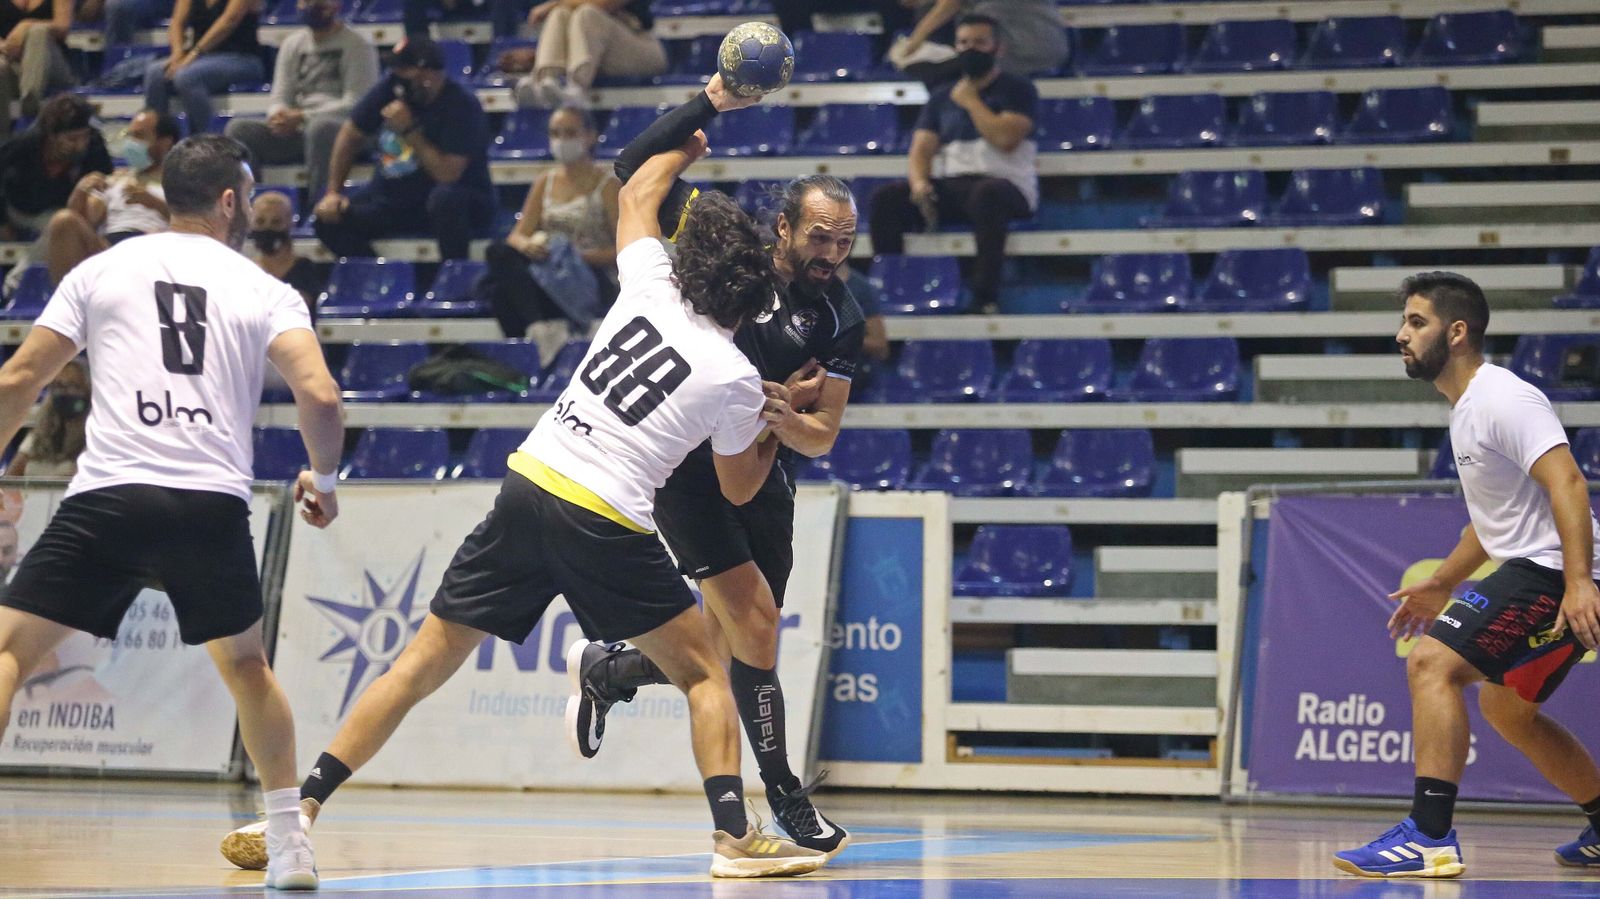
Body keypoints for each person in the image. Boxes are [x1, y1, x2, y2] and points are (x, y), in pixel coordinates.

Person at [220, 104, 829, 880]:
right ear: (750, 303)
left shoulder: (646, 284)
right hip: (604, 513)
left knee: (420, 663)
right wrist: (778, 419)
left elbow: (635, 194)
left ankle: (298, 810)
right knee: (708, 667)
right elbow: (741, 490)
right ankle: (735, 842)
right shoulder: (736, 375)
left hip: (532, 479)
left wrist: (691, 133)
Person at [0, 133, 345, 889]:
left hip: (109, 496)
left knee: (9, 652)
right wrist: (324, 477)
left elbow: (21, 377)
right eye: (250, 197)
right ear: (229, 201)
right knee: (250, 670)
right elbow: (319, 395)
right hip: (207, 504)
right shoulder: (264, 287)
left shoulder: (99, 269)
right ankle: (290, 845)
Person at [568, 77, 861, 861]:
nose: (832, 254)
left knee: (736, 644)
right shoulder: (721, 247)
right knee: (756, 625)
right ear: (783, 227)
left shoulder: (841, 317)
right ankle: (784, 801)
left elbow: (823, 435)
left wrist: (781, 418)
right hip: (689, 470)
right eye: (820, 237)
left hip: (764, 468)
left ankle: (615, 668)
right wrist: (710, 105)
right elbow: (632, 170)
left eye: (845, 241)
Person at [1333, 272, 1600, 878]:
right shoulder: (1466, 410)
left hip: (1554, 572)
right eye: (1403, 321)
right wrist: (1443, 581)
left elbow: (1568, 482)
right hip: (1543, 568)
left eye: (1415, 322)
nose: (1401, 335)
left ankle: (1428, 836)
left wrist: (1580, 580)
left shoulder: (1504, 398)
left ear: (1457, 333)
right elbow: (1493, 521)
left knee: (1431, 663)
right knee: (1508, 713)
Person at [870, 14, 1036, 314]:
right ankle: (892, 290)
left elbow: (1005, 139)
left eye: (980, 43)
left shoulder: (1017, 88)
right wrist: (920, 183)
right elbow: (921, 149)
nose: (970, 49)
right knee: (886, 199)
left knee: (988, 194)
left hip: (1006, 186)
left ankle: (984, 298)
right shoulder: (941, 96)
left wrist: (972, 101)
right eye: (964, 42)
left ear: (997, 48)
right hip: (954, 185)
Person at [313, 37, 494, 261]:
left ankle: (453, 274)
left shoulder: (462, 105)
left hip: (451, 202)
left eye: (405, 72)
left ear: (428, 75)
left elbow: (448, 174)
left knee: (445, 199)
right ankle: (373, 275)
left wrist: (410, 130)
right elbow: (350, 133)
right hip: (394, 198)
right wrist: (333, 193)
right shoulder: (391, 86)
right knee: (326, 218)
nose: (398, 78)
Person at [481, 104, 618, 357]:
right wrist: (528, 246)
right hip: (552, 272)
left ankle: (543, 339)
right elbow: (517, 235)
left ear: (590, 136)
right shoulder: (545, 181)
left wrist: (577, 256)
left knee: (502, 294)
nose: (561, 140)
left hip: (589, 276)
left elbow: (625, 249)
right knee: (498, 257)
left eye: (570, 133)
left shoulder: (608, 185)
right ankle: (539, 329)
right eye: (555, 133)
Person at [224, 0, 378, 200]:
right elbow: (280, 95)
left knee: (320, 128)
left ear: (336, 6)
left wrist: (303, 116)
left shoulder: (358, 45)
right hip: (298, 131)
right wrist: (279, 116)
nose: (311, 6)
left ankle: (319, 206)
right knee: (238, 129)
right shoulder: (292, 44)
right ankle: (251, 206)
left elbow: (357, 103)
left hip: (345, 134)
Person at [45, 109, 180, 285]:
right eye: (130, 136)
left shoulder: (179, 182)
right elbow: (85, 221)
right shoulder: (115, 179)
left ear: (165, 143)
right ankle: (69, 306)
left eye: (139, 136)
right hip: (108, 248)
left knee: (153, 238)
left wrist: (154, 203)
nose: (132, 143)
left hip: (154, 249)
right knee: (62, 221)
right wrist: (79, 193)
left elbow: (193, 225)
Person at [0, 95, 114, 295]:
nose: (80, 144)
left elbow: (105, 183)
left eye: (84, 136)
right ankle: (17, 284)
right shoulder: (23, 146)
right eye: (72, 139)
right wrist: (2, 223)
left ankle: (17, 283)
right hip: (18, 208)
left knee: (63, 223)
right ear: (52, 136)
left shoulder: (94, 145)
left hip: (62, 210)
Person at [143, 0, 264, 136]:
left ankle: (205, 140)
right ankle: (157, 139)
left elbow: (229, 20)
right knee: (155, 73)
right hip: (202, 59)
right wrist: (177, 54)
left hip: (242, 58)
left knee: (187, 77)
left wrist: (194, 54)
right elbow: (177, 23)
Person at [515, 0, 665, 110]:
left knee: (587, 13)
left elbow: (603, 4)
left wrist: (553, 4)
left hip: (642, 48)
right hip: (602, 52)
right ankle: (544, 81)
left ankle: (577, 88)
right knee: (559, 14)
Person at [891, 0, 1067, 82]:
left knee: (922, 70)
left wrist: (914, 41)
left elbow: (950, 3)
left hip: (1019, 49)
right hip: (1050, 47)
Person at [0, 0, 75, 139]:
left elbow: (63, 27)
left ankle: (30, 99)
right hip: (10, 62)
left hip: (51, 65)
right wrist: (5, 46)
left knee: (38, 32)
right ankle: (3, 142)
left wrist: (26, 24)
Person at [6, 356, 88, 478]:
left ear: (88, 391)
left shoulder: (95, 438)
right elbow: (11, 478)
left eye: (74, 385)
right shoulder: (39, 434)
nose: (65, 392)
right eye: (59, 385)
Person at [249, 190, 321, 313]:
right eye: (260, 221)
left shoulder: (305, 270)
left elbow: (297, 307)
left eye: (276, 222)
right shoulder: (247, 271)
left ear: (290, 224)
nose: (267, 228)